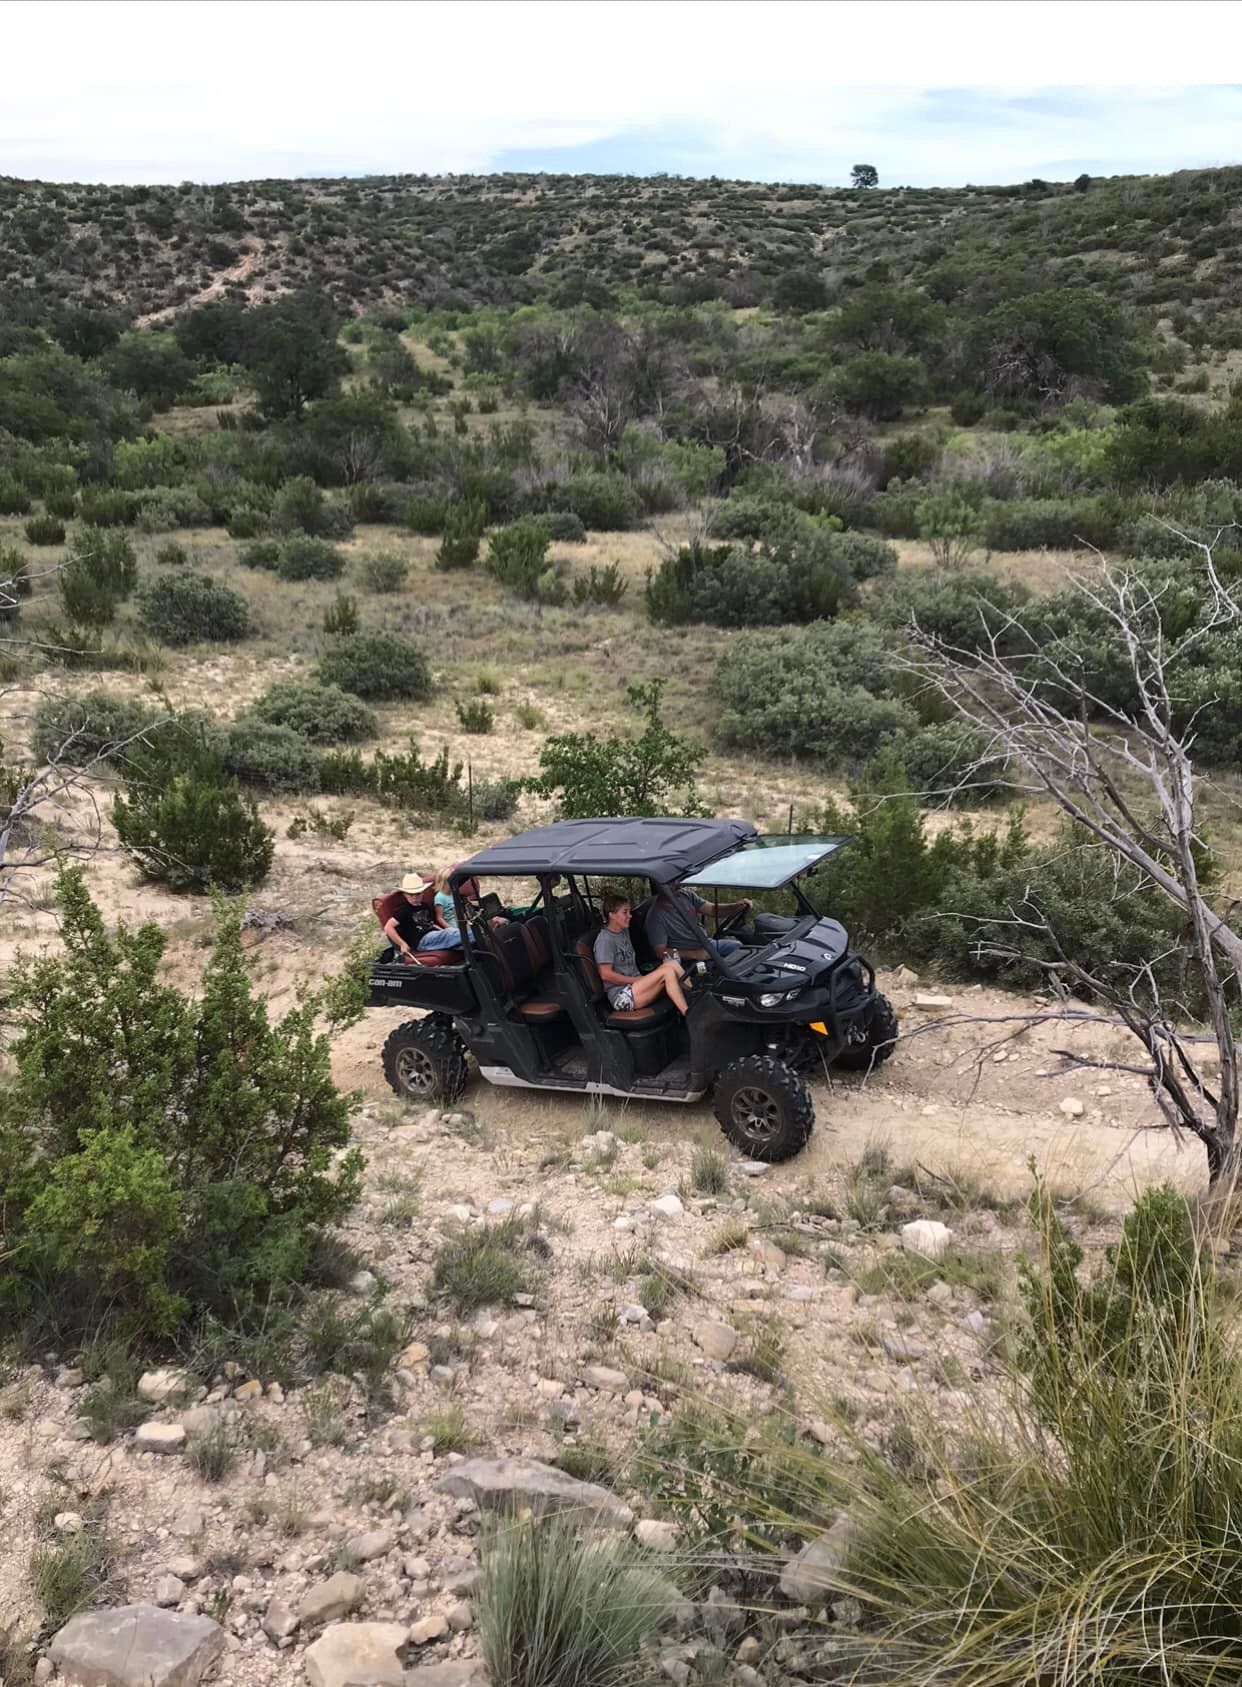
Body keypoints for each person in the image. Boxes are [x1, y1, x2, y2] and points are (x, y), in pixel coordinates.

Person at [594, 893, 690, 1016]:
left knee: (672, 963)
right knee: (667, 972)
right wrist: (636, 980)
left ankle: (695, 996)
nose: (629, 916)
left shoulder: (623, 931)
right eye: (625, 912)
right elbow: (605, 975)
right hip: (622, 996)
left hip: (636, 986)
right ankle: (688, 1014)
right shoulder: (605, 940)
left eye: (629, 912)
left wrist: (639, 980)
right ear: (611, 915)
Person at [646, 880, 753, 961]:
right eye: (672, 883)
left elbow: (712, 910)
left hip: (707, 944)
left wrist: (735, 906)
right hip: (688, 956)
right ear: (661, 885)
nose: (678, 884)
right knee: (725, 968)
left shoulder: (685, 895)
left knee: (742, 949)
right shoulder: (655, 916)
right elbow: (660, 952)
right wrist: (695, 954)